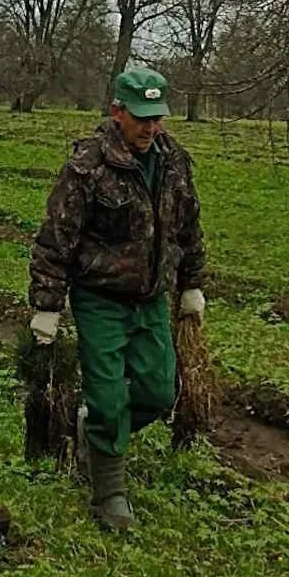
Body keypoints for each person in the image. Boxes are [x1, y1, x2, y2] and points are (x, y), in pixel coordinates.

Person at [28, 67, 206, 531]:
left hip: (151, 299)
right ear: (117, 112)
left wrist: (191, 284)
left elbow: (188, 226)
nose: (151, 128)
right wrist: (47, 306)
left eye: (157, 118)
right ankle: (109, 493)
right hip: (100, 298)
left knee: (159, 392)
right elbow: (56, 237)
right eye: (142, 118)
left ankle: (94, 433)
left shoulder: (174, 161)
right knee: (107, 399)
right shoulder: (87, 166)